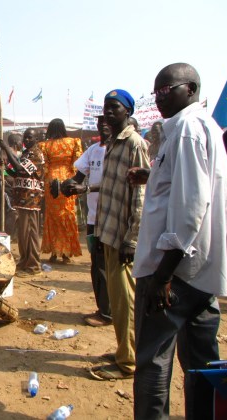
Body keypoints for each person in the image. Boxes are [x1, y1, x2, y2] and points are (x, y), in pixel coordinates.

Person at [131, 63, 227, 419]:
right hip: (202, 272)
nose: (158, 98)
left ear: (190, 89)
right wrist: (153, 174)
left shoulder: (188, 129)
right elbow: (195, 187)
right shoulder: (203, 128)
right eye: (155, 92)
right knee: (201, 361)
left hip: (173, 272)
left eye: (166, 90)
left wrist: (163, 275)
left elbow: (191, 206)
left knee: (152, 362)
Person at [88, 89, 150, 381]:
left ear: (127, 111)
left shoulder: (134, 143)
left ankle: (129, 363)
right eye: (105, 108)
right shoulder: (112, 143)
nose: (108, 113)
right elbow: (110, 189)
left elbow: (141, 193)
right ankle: (123, 351)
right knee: (116, 296)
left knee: (125, 299)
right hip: (109, 232)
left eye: (114, 108)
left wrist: (132, 237)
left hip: (124, 235)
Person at [61, 115, 111, 327]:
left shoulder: (120, 149)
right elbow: (79, 178)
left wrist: (87, 188)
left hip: (113, 216)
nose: (103, 127)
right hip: (94, 216)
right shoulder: (93, 150)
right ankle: (104, 309)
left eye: (107, 123)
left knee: (110, 265)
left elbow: (118, 182)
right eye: (100, 125)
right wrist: (65, 185)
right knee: (97, 263)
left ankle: (110, 313)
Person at [0, 128, 44, 276]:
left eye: (30, 137)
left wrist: (6, 149)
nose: (27, 140)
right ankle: (25, 260)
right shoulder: (26, 153)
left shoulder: (36, 154)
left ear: (36, 139)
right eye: (25, 137)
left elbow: (20, 168)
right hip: (22, 198)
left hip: (31, 200)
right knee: (23, 233)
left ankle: (33, 265)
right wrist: (5, 167)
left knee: (31, 233)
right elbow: (18, 172)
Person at [39, 118, 83, 263]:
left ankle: (53, 252)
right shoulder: (73, 142)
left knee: (52, 216)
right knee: (67, 214)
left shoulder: (44, 145)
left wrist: (48, 180)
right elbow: (77, 164)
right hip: (68, 181)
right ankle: (66, 253)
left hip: (51, 182)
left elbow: (44, 167)